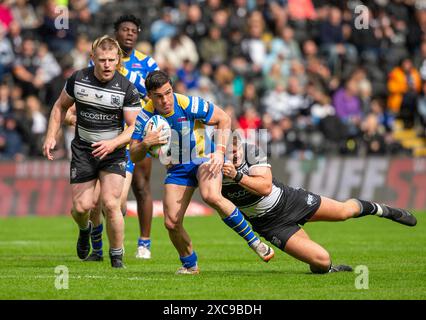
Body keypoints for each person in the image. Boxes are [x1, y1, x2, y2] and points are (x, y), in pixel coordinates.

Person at [130, 70, 275, 274]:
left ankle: (255, 242)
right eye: (159, 96)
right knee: (171, 222)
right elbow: (134, 155)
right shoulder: (145, 116)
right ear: (150, 96)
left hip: (204, 158)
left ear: (172, 89)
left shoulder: (187, 103)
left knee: (211, 196)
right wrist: (146, 143)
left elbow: (223, 119)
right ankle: (190, 265)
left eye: (168, 93)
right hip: (178, 168)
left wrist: (219, 152)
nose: (165, 100)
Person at [221, 136, 417, 273]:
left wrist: (237, 176)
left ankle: (382, 209)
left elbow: (264, 187)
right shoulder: (213, 172)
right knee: (322, 262)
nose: (236, 155)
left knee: (344, 212)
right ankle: (328, 269)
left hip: (290, 201)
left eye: (237, 150)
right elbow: (212, 197)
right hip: (270, 224)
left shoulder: (252, 152)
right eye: (231, 153)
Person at [42, 35, 141, 268]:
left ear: (118, 60)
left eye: (111, 60)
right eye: (102, 59)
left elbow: (135, 127)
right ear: (92, 59)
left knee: (110, 203)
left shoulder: (127, 88)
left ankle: (117, 257)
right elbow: (60, 106)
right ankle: (84, 229)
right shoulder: (78, 79)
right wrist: (50, 135)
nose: (107, 64)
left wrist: (114, 143)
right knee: (81, 208)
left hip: (113, 152)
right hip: (84, 150)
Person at [67, 15, 159, 261]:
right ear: (115, 35)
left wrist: (157, 126)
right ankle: (98, 248)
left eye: (133, 30)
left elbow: (160, 94)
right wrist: (70, 115)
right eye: (124, 30)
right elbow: (78, 100)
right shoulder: (99, 64)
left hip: (134, 134)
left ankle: (143, 243)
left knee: (137, 190)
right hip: (102, 135)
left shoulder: (148, 63)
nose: (129, 34)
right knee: (102, 203)